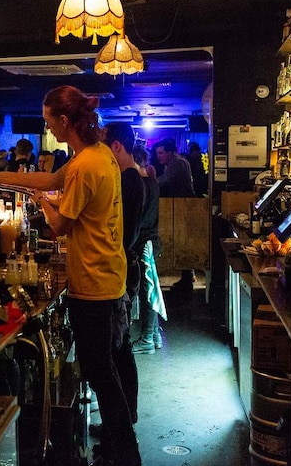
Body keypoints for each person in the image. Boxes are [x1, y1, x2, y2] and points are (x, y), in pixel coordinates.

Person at [0, 85, 141, 466]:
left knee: (100, 371)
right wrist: (0, 177)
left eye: (49, 120)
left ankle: (126, 453)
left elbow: (61, 227)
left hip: (93, 280)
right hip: (108, 273)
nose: (48, 127)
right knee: (104, 368)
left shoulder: (86, 165)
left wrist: (42, 207)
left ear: (64, 121)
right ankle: (122, 449)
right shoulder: (97, 154)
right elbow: (52, 181)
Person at [101, 122, 144, 427]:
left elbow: (123, 235)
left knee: (118, 347)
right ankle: (126, 417)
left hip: (123, 268)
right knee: (120, 345)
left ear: (116, 147)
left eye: (105, 146)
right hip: (126, 266)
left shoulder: (128, 180)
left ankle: (123, 421)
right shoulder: (132, 178)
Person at [130, 144, 166, 354]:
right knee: (150, 289)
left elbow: (140, 220)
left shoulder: (142, 184)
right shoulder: (152, 182)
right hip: (151, 241)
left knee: (147, 290)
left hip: (144, 242)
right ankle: (153, 335)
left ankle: (146, 339)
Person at [154, 138, 196, 290]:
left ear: (170, 152)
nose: (159, 156)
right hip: (182, 206)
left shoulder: (176, 164)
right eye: (157, 153)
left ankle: (187, 277)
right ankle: (188, 275)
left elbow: (165, 181)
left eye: (161, 153)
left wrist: (148, 184)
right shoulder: (175, 163)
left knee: (183, 241)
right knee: (183, 241)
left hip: (184, 206)